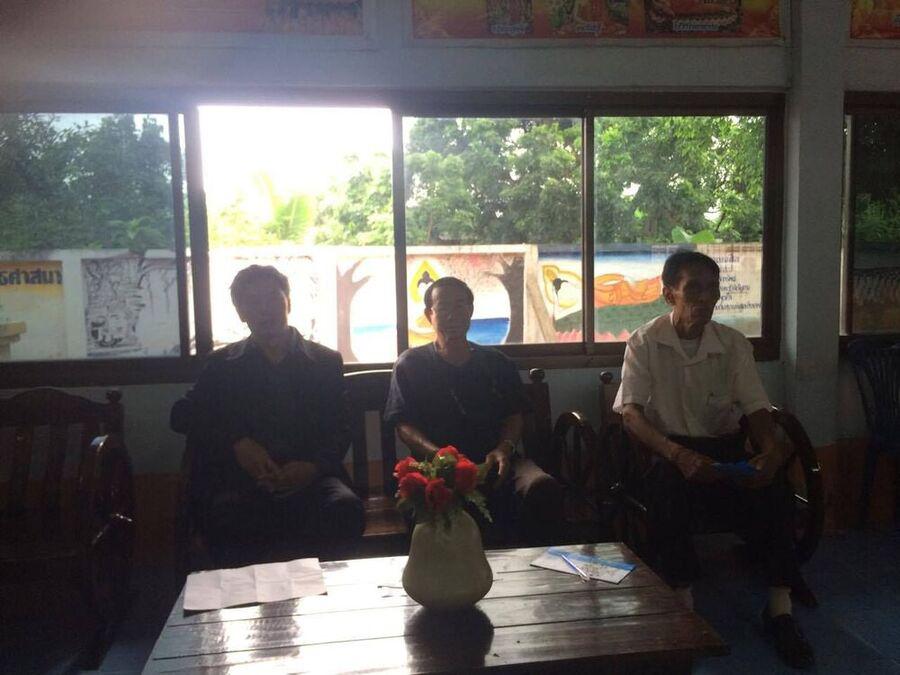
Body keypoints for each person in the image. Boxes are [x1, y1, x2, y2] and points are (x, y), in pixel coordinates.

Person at [613, 250, 815, 669]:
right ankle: (683, 600)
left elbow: (756, 407)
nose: (706, 298)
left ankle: (780, 608)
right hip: (670, 451)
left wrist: (770, 451)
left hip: (724, 451)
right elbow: (630, 414)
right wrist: (676, 453)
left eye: (713, 289)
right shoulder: (645, 342)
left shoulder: (732, 343)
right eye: (694, 289)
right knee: (666, 486)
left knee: (776, 486)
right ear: (669, 294)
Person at [182, 265, 364, 567]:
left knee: (344, 509)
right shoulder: (223, 365)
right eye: (252, 302)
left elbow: (341, 427)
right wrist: (238, 442)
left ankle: (325, 594)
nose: (264, 309)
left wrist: (312, 467)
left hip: (312, 480)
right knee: (224, 516)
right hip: (243, 482)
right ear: (240, 313)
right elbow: (183, 415)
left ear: (288, 302)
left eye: (271, 298)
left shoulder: (324, 361)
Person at [384, 276, 564, 544]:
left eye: (460, 306)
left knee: (541, 486)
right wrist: (440, 456)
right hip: (438, 468)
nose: (453, 314)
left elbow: (515, 415)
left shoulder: (497, 363)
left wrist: (504, 449)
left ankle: (535, 568)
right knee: (424, 499)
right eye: (444, 306)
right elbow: (404, 425)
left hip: (497, 463)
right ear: (429, 314)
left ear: (470, 311)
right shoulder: (410, 364)